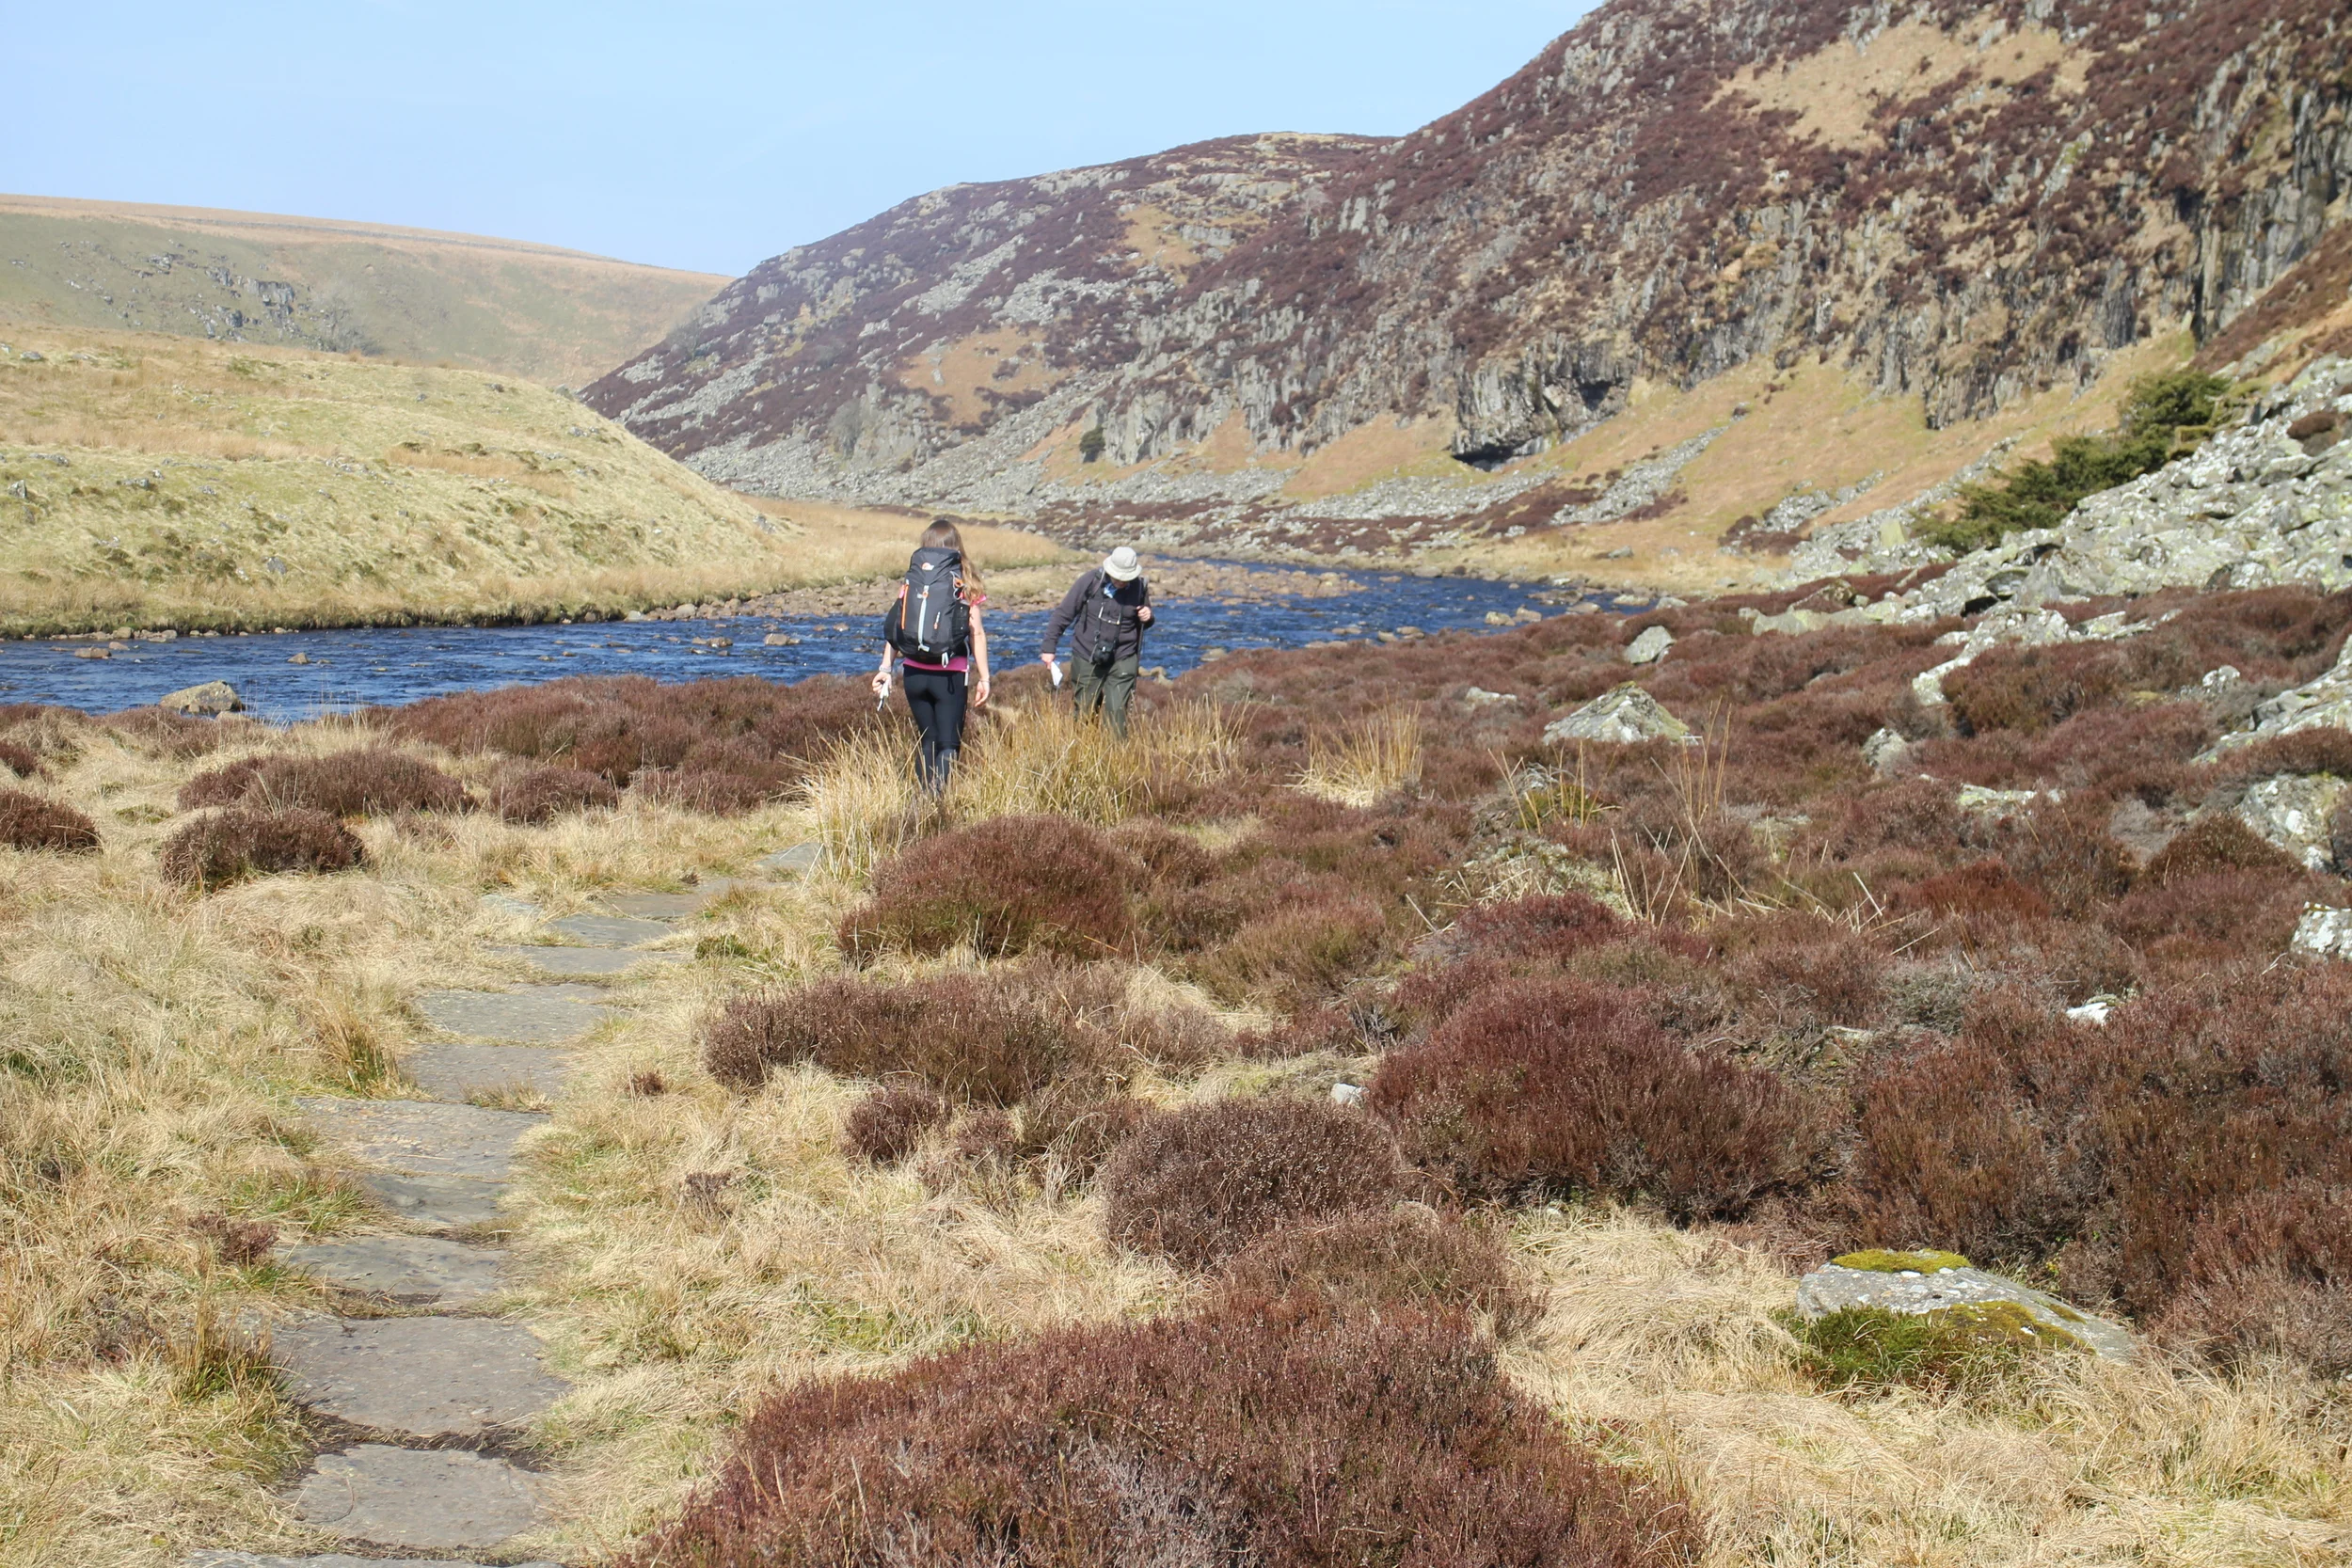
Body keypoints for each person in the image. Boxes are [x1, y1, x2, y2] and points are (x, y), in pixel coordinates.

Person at [872, 519, 991, 793]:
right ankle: (936, 802)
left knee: (927, 739)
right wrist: (984, 677)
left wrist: (886, 669)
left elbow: (897, 628)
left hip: (913, 673)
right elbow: (977, 634)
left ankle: (923, 800)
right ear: (956, 546)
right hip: (950, 675)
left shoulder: (911, 581)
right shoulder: (965, 581)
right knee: (949, 744)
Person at [1040, 546, 1152, 736]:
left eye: (1125, 578)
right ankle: (1084, 756)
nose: (1121, 582)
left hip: (1123, 656)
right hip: (1087, 654)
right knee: (1084, 711)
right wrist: (1049, 648)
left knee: (1117, 712)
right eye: (1117, 577)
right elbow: (1063, 614)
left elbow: (1145, 622)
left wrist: (1147, 616)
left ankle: (1117, 758)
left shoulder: (1139, 587)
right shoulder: (1090, 581)